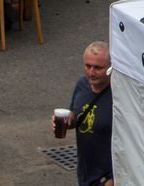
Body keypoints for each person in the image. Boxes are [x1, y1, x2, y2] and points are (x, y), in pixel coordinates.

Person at [53, 43, 113, 186]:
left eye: (98, 68)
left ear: (111, 68)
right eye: (88, 66)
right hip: (85, 174)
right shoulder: (82, 84)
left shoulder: (119, 95)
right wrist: (67, 121)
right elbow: (76, 116)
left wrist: (113, 180)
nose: (91, 73)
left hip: (107, 179)